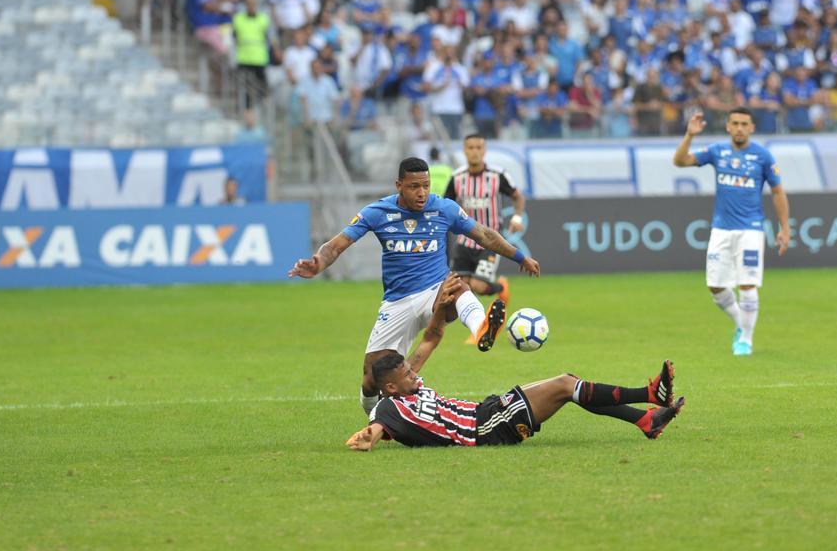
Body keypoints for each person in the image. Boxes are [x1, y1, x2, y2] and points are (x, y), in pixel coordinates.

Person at [288, 157, 542, 414]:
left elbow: (485, 235)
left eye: (426, 185)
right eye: (414, 186)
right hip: (397, 302)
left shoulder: (445, 208)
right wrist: (318, 263)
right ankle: (377, 418)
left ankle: (481, 329)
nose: (422, 193)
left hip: (436, 291)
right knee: (371, 378)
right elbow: (335, 246)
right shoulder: (377, 212)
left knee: (457, 286)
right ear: (399, 185)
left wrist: (520, 257)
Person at [346, 276, 684, 451]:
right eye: (406, 372)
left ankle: (645, 420)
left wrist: (441, 306)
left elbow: (432, 337)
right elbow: (377, 426)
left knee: (570, 385)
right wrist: (367, 438)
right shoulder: (389, 409)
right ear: (389, 387)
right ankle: (650, 393)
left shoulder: (407, 386)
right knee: (566, 385)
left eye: (409, 368)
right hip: (485, 429)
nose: (413, 372)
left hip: (486, 413)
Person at [672, 109, 790, 357]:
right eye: (735, 123)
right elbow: (680, 161)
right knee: (715, 286)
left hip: (751, 229)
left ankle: (746, 339)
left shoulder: (763, 156)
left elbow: (778, 192)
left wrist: (784, 228)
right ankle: (740, 323)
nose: (739, 128)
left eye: (744, 124)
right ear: (727, 126)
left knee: (747, 284)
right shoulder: (717, 152)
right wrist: (689, 135)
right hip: (721, 229)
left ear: (751, 127)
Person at [443, 134, 527, 317]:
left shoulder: (497, 175)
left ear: (485, 150)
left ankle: (500, 286)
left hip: (490, 242)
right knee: (459, 287)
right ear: (464, 150)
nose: (475, 152)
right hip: (464, 242)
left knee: (478, 286)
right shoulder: (457, 177)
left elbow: (517, 196)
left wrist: (517, 218)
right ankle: (479, 324)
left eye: (478, 147)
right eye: (470, 148)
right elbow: (446, 206)